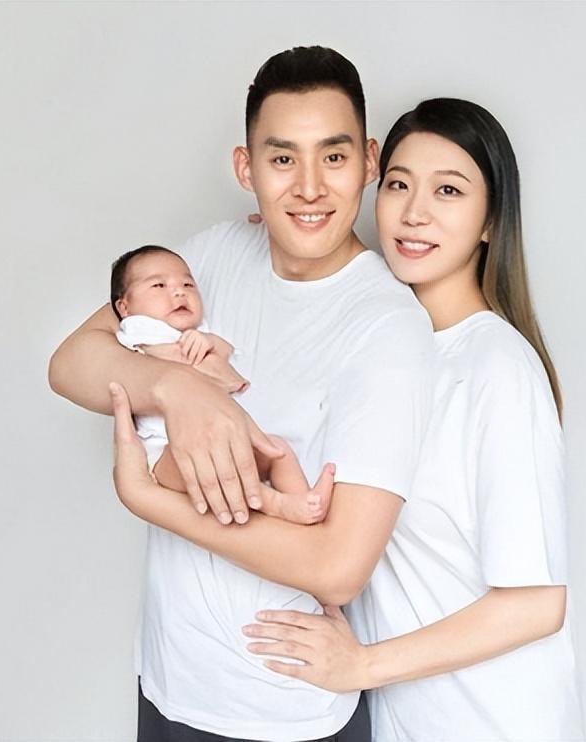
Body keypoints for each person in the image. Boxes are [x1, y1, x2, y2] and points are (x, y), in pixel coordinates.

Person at [50, 46, 435, 741]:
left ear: (370, 161)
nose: (309, 187)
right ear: (246, 168)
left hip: (280, 712)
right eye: (283, 158)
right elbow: (72, 360)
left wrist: (150, 499)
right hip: (168, 683)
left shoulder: (386, 326)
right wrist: (176, 388)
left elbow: (338, 569)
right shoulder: (210, 257)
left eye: (334, 156)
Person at [231, 99, 586, 740]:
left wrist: (361, 665)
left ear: (490, 221)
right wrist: (291, 236)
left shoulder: (496, 367)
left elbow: (537, 603)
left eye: (448, 190)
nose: (414, 212)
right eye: (398, 185)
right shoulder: (381, 347)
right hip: (403, 722)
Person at [111, 244, 335, 525]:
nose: (179, 292)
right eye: (159, 285)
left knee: (276, 449)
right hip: (165, 454)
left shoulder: (197, 330)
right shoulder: (139, 329)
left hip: (221, 439)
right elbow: (172, 361)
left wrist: (209, 342)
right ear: (125, 306)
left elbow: (225, 354)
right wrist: (200, 351)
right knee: (217, 469)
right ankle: (277, 504)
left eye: (188, 284)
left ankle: (303, 499)